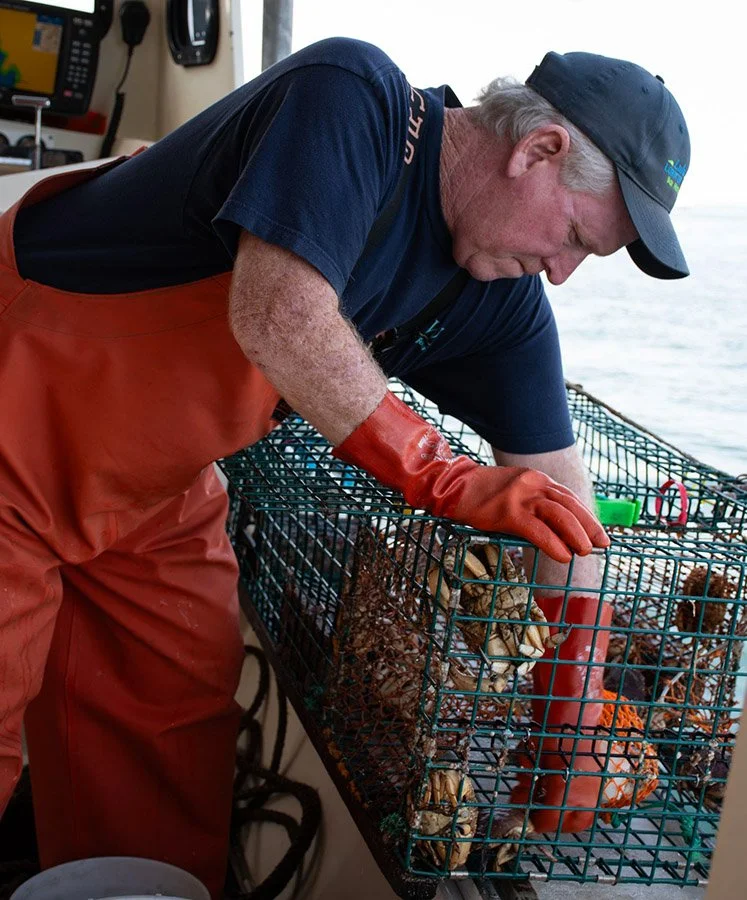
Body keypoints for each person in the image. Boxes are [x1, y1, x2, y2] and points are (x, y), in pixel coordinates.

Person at [0, 37, 689, 896]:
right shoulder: (352, 100)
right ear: (536, 150)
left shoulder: (498, 300)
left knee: (170, 730)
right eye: (578, 237)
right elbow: (279, 315)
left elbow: (564, 496)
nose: (562, 273)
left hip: (152, 488)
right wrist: (444, 477)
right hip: (12, 418)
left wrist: (573, 708)